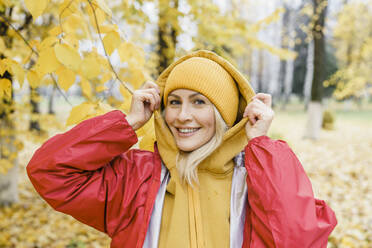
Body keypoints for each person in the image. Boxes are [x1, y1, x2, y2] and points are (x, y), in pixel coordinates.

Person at [27, 50, 337, 248]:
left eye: (199, 102)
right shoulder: (136, 177)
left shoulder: (255, 176)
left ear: (224, 114)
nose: (182, 115)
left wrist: (260, 144)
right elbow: (49, 170)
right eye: (174, 102)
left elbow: (299, 240)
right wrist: (129, 122)